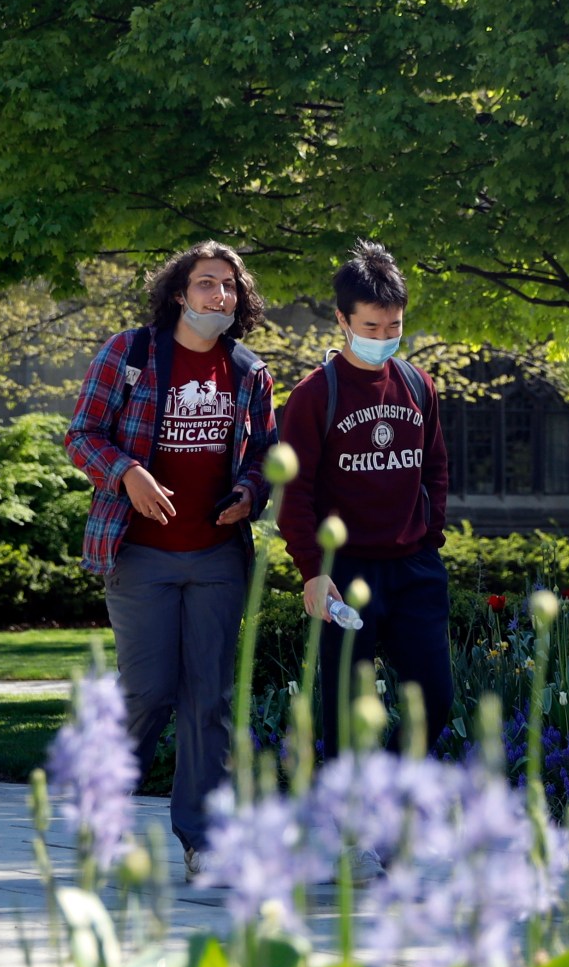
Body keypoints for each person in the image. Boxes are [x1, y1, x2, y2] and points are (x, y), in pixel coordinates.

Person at [65, 241, 277, 884]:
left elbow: (263, 454)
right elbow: (81, 436)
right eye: (207, 284)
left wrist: (248, 494)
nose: (220, 295)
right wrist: (126, 473)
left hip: (217, 557)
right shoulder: (129, 354)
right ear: (179, 294)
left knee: (208, 699)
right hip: (141, 553)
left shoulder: (249, 370)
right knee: (148, 691)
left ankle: (202, 837)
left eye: (230, 287)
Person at [277, 240, 455, 801]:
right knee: (348, 710)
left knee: (436, 699)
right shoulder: (313, 395)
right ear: (342, 320)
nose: (383, 338)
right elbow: (293, 493)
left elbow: (436, 468)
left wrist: (429, 539)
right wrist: (311, 569)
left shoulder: (418, 385)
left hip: (413, 568)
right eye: (371, 326)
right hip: (343, 574)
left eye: (394, 326)